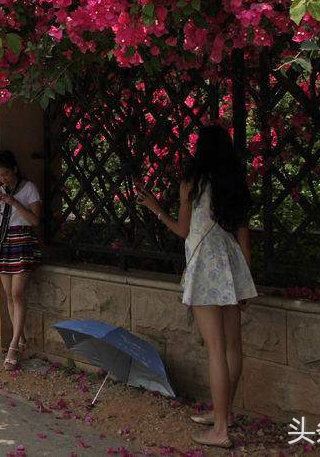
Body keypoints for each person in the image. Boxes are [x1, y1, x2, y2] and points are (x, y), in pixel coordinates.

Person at [136, 125, 257, 451]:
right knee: (233, 346)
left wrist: (155, 209)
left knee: (215, 349)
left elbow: (182, 230)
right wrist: (246, 282)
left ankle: (220, 429)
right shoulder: (235, 183)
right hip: (232, 265)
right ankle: (223, 414)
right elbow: (244, 239)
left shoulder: (192, 182)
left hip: (205, 267)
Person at [0, 150, 43, 370]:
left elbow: (35, 221)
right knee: (9, 294)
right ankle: (20, 339)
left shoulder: (29, 188)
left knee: (18, 293)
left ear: (15, 169)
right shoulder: (0, 190)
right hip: (4, 243)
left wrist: (14, 202)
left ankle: (13, 345)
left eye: (6, 174)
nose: (3, 179)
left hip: (22, 241)